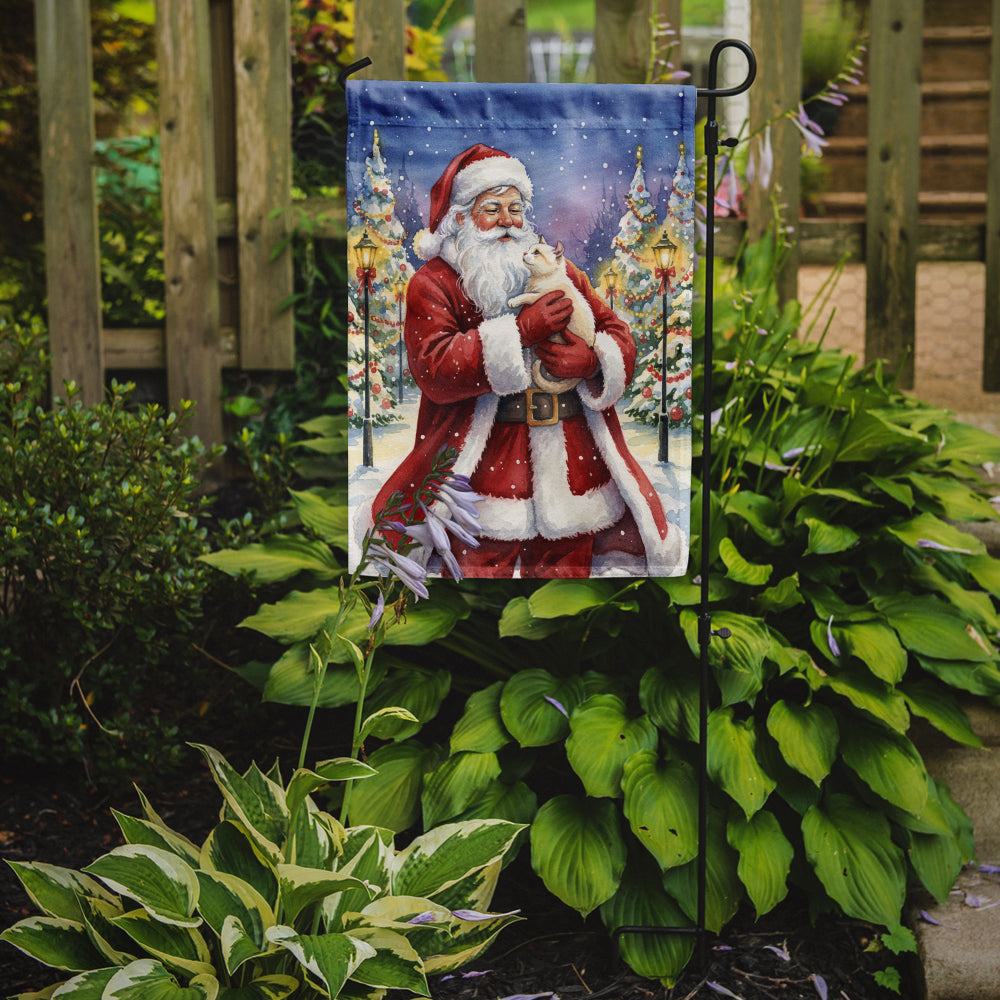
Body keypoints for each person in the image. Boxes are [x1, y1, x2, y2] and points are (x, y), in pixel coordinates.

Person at [367, 143, 683, 578]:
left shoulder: (558, 271)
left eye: (515, 209)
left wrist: (591, 362)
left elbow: (617, 332)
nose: (507, 222)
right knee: (474, 579)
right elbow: (434, 367)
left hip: (574, 464)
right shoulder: (434, 282)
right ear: (461, 218)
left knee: (571, 585)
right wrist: (519, 333)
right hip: (483, 467)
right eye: (491, 209)